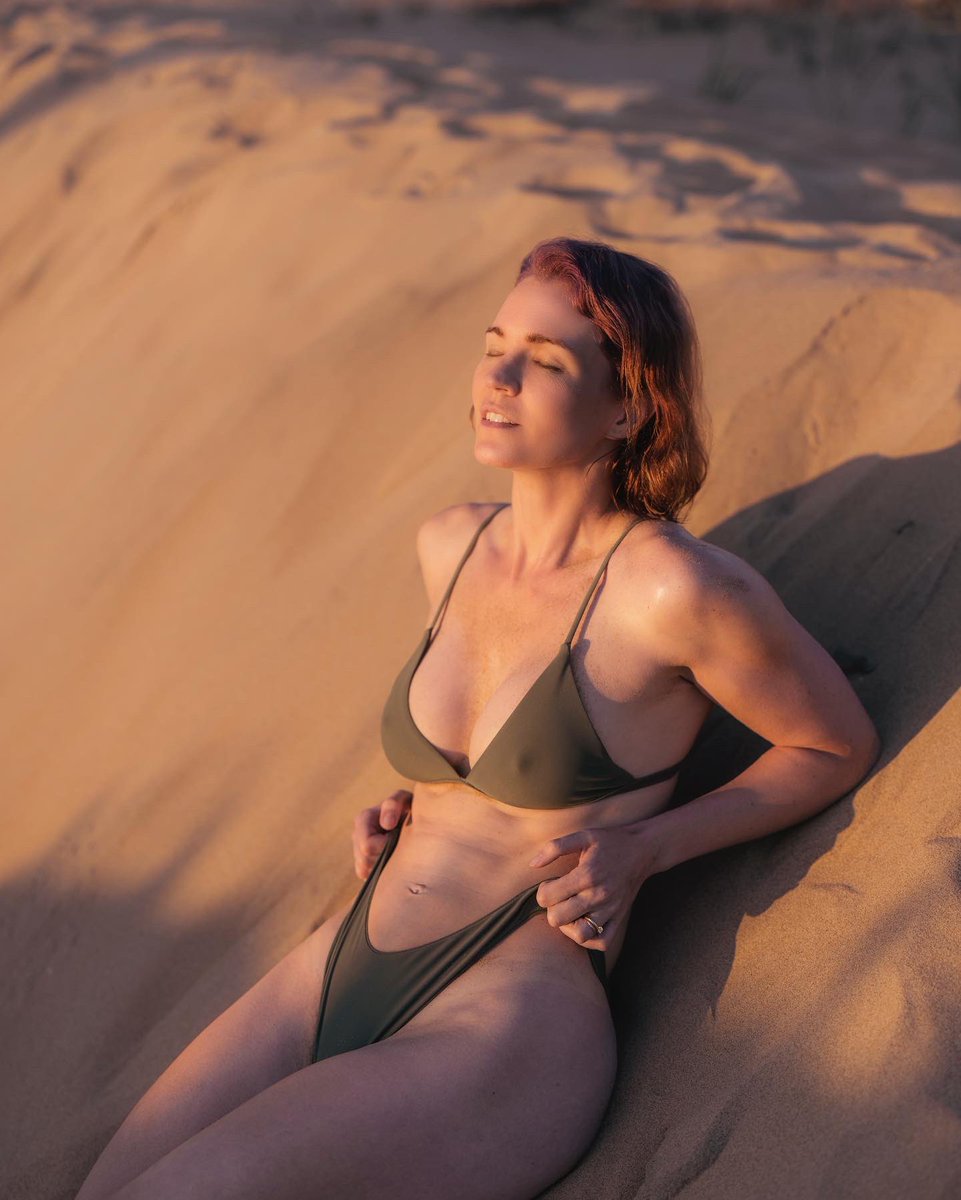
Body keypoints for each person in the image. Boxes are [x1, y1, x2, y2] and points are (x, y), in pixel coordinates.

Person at [75, 237, 881, 1200]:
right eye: (494, 343)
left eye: (543, 361)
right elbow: (471, 763)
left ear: (627, 407)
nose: (496, 376)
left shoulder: (668, 589)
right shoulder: (449, 543)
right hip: (342, 958)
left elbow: (832, 742)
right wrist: (407, 801)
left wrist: (649, 847)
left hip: (505, 1014)